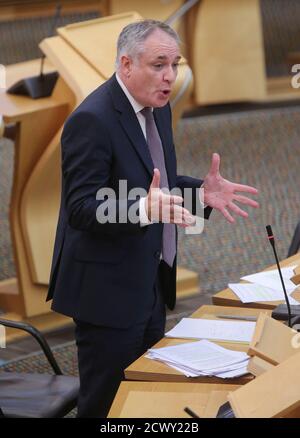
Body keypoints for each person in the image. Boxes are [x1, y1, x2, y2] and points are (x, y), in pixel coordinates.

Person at [47, 20, 259, 417]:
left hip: (150, 282)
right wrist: (143, 209)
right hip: (106, 293)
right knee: (107, 405)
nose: (170, 76)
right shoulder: (91, 120)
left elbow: (158, 182)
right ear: (126, 65)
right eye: (159, 65)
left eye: (175, 65)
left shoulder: (157, 109)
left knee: (145, 399)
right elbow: (81, 208)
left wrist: (201, 194)